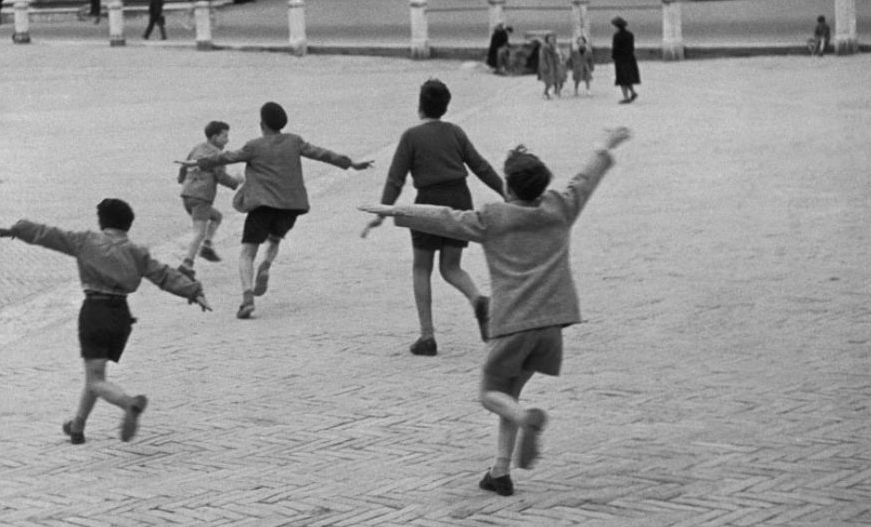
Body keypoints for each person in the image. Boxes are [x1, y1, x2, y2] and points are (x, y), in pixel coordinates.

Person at [360, 126, 633, 496]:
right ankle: (499, 473)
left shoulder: (493, 218)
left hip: (513, 326)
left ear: (509, 188)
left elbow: (444, 217)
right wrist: (603, 147)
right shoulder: (560, 207)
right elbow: (585, 180)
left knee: (490, 394)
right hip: (551, 328)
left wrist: (395, 210)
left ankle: (527, 420)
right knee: (510, 393)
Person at [0, 198, 211, 444]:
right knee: (96, 376)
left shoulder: (86, 241)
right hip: (121, 316)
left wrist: (18, 230)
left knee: (96, 379)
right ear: (127, 225)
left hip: (95, 311)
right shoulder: (137, 253)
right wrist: (192, 291)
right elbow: (163, 274)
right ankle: (77, 427)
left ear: (102, 221)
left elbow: (49, 234)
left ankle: (128, 403)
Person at [184, 102, 373, 319]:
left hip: (262, 206)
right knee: (274, 240)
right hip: (290, 207)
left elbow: (226, 157)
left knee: (246, 253)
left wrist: (198, 162)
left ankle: (247, 298)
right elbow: (322, 154)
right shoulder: (294, 141)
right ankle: (267, 264)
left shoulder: (254, 146)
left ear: (261, 124)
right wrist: (351, 164)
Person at [362, 79, 504, 355]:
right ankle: (478, 300)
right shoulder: (455, 133)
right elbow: (480, 167)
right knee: (451, 267)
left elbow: (395, 179)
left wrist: (383, 211)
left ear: (420, 106)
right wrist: (505, 192)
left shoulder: (411, 137)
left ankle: (427, 337)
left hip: (427, 202)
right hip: (459, 200)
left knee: (421, 268)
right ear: (446, 107)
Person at [177, 120, 242, 278]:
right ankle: (187, 263)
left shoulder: (197, 148)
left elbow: (184, 166)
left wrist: (181, 179)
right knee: (199, 231)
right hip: (201, 197)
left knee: (216, 217)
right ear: (214, 137)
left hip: (187, 195)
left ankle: (207, 245)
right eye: (224, 136)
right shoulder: (216, 155)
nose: (227, 140)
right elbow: (220, 176)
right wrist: (236, 181)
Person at [610, 16, 640, 104]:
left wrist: (614, 57)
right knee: (628, 77)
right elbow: (632, 47)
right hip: (630, 58)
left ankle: (626, 97)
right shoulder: (630, 34)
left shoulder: (617, 36)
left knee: (622, 79)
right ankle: (633, 92)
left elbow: (615, 48)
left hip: (620, 59)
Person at [537, 34, 566, 99]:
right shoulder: (544, 47)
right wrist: (544, 65)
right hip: (549, 66)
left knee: (559, 80)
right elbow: (542, 57)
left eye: (553, 39)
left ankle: (556, 92)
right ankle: (546, 93)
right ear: (547, 39)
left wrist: (563, 61)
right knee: (549, 81)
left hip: (557, 66)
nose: (551, 40)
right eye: (550, 39)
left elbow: (561, 55)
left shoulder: (556, 46)